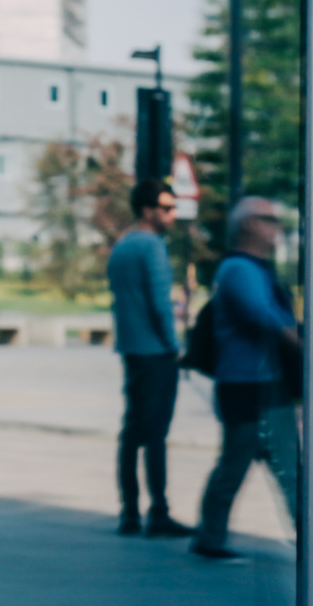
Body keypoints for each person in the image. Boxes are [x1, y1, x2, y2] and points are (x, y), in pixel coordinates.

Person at [190, 197, 300, 562]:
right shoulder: (238, 269)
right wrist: (304, 343)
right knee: (236, 465)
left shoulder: (257, 268)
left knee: (289, 469)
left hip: (265, 386)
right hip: (245, 388)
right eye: (271, 220)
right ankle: (209, 537)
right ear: (250, 225)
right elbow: (263, 316)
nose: (278, 228)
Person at [107, 179, 193, 538]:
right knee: (156, 434)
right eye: (166, 207)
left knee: (132, 432)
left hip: (131, 350)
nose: (172, 214)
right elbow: (160, 306)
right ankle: (158, 512)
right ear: (147, 210)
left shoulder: (122, 246)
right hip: (157, 354)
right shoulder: (153, 247)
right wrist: (175, 347)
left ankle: (129, 512)